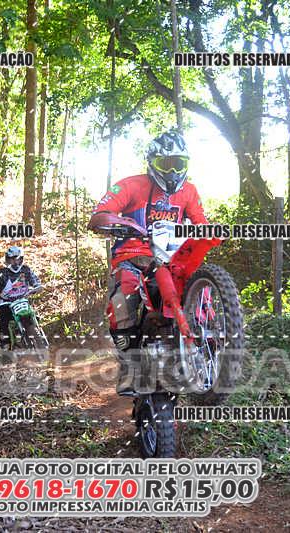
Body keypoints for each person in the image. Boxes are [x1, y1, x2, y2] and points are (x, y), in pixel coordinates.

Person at [87, 128, 208, 394]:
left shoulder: (189, 191)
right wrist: (118, 223)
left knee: (200, 289)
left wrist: (207, 232)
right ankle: (129, 366)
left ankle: (206, 348)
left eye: (179, 164)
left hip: (172, 259)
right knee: (124, 297)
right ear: (152, 163)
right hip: (133, 257)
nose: (173, 171)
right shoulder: (131, 185)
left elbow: (202, 223)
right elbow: (100, 213)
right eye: (166, 163)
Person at [0, 246, 41, 350]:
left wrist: (37, 287)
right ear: (7, 260)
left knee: (34, 316)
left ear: (22, 259)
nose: (15, 262)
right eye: (12, 259)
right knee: (4, 324)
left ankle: (37, 334)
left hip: (22, 301)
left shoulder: (26, 270)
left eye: (18, 259)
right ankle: (4, 344)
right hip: (6, 304)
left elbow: (35, 280)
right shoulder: (2, 274)